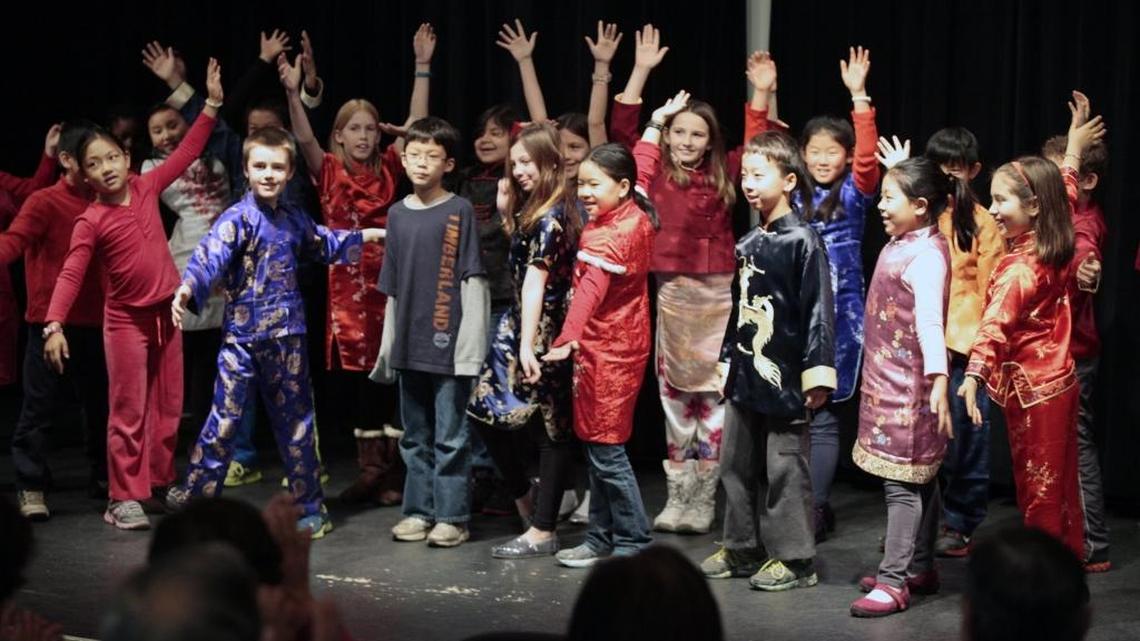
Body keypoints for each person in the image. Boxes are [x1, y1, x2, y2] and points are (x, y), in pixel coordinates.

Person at [166, 126, 385, 539]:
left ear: (289, 172)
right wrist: (187, 287)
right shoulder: (237, 219)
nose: (268, 174)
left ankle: (310, 507)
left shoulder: (293, 217)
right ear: (246, 169)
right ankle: (198, 502)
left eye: (277, 167)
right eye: (260, 166)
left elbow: (322, 242)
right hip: (241, 341)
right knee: (223, 421)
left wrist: (363, 236)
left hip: (287, 338)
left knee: (296, 424)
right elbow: (209, 256)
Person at [43, 59, 224, 531]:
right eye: (93, 164)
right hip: (126, 322)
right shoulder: (91, 220)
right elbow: (71, 273)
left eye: (110, 158)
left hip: (167, 316)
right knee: (128, 411)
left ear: (126, 158)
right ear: (84, 175)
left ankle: (159, 485)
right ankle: (122, 496)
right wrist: (54, 324)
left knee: (168, 409)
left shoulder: (146, 186)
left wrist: (212, 105)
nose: (105, 168)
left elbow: (186, 152)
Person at [959, 97, 1107, 559]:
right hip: (1058, 381)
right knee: (1061, 486)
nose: (992, 210)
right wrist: (1073, 147)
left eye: (1001, 200)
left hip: (1035, 392)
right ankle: (1067, 565)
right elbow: (1065, 188)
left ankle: (1041, 577)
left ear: (1034, 206)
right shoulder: (1052, 233)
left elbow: (995, 325)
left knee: (1039, 488)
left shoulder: (1020, 268)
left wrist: (973, 375)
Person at [700, 129, 834, 592]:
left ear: (789, 180)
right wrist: (726, 361)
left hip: (787, 375)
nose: (749, 184)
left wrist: (817, 374)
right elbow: (739, 310)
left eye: (759, 175)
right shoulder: (748, 243)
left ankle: (795, 558)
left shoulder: (803, 241)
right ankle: (741, 546)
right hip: (746, 372)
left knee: (784, 467)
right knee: (734, 464)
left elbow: (818, 311)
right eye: (745, 176)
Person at [372, 117, 489, 548]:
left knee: (451, 437)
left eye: (432, 156)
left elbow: (471, 278)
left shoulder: (458, 210)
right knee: (414, 436)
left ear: (448, 164)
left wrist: (470, 347)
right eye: (415, 155)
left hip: (448, 345)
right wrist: (388, 347)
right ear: (403, 160)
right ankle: (418, 511)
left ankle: (453, 516)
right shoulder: (397, 215)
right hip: (409, 345)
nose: (422, 163)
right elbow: (392, 288)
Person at [849, 156, 958, 616]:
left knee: (902, 481)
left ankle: (894, 581)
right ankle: (920, 566)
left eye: (889, 197)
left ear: (920, 206)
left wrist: (938, 379)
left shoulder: (926, 256)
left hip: (910, 389)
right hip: (888, 379)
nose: (880, 205)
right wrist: (900, 173)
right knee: (921, 477)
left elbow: (931, 324)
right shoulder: (908, 240)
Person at [543, 143, 657, 566]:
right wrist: (655, 126)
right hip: (609, 345)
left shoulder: (614, 233)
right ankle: (600, 538)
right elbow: (644, 166)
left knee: (607, 450)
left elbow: (590, 291)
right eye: (582, 184)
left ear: (621, 187)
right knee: (597, 447)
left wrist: (566, 336)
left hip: (612, 350)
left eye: (594, 184)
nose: (585, 192)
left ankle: (633, 540)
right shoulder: (632, 206)